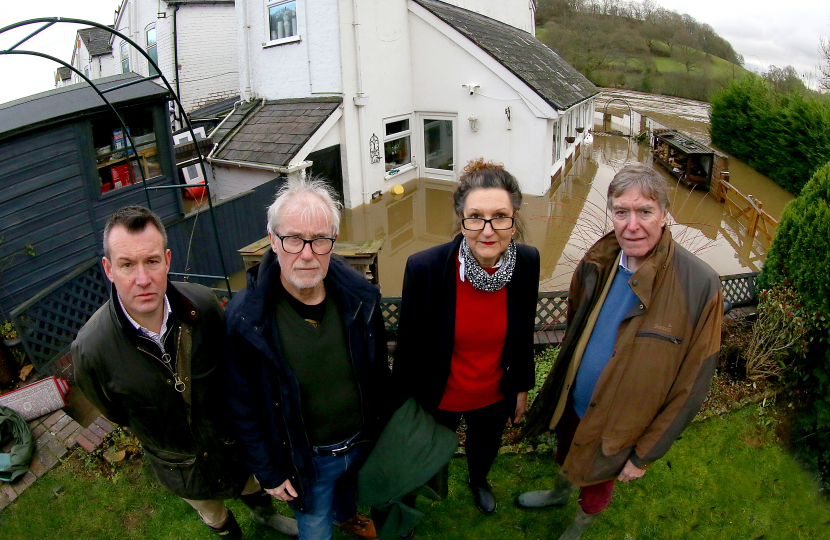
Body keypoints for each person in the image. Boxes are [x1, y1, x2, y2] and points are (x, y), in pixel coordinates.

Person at [517, 163, 723, 540]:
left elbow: (693, 384)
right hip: (574, 404)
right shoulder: (597, 262)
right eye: (621, 211)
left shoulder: (700, 284)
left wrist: (645, 453)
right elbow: (577, 325)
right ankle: (559, 494)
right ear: (612, 212)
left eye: (644, 212)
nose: (631, 225)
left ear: (665, 214)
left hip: (619, 426)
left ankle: (577, 529)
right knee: (566, 456)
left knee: (596, 486)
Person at [72, 205, 297, 539]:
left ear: (167, 260)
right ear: (108, 268)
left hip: (232, 446)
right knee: (212, 511)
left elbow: (233, 374)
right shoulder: (91, 350)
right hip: (181, 467)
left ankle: (263, 516)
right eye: (127, 265)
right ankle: (228, 533)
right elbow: (116, 412)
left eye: (151, 261)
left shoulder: (204, 306)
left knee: (251, 486)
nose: (142, 279)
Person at [224, 177, 391, 540]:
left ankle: (346, 516)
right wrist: (268, 471)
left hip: (359, 443)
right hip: (306, 461)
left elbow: (377, 373)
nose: (306, 253)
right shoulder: (246, 320)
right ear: (273, 240)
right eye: (294, 239)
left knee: (348, 495)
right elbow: (243, 406)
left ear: (333, 243)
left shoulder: (362, 299)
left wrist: (381, 433)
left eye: (320, 240)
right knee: (314, 525)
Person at [393, 159, 540, 515]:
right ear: (461, 219)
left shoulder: (528, 263)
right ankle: (411, 503)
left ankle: (478, 480)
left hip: (493, 395)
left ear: (514, 221)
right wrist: (401, 410)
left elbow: (522, 334)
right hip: (438, 397)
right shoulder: (425, 268)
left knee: (484, 446)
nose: (487, 230)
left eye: (500, 216)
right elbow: (408, 349)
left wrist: (521, 386)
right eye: (476, 216)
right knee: (424, 459)